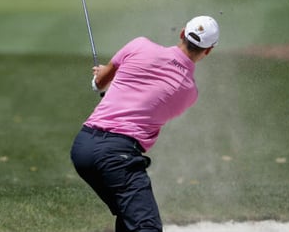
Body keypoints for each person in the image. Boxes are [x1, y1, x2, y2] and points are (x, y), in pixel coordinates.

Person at [70, 15, 220, 232]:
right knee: (146, 227)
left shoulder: (139, 45)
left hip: (83, 147)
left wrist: (100, 81)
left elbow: (101, 81)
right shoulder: (189, 91)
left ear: (181, 33)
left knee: (128, 216)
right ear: (208, 50)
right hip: (117, 157)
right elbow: (151, 101)